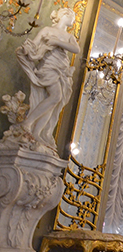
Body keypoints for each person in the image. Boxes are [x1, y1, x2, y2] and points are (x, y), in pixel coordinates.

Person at [15, 8, 79, 149]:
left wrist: (57, 42)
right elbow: (34, 44)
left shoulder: (69, 36)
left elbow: (76, 49)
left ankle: (37, 132)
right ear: (64, 15)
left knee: (54, 101)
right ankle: (28, 122)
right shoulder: (47, 30)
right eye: (73, 17)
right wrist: (26, 50)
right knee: (55, 96)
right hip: (49, 67)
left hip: (62, 69)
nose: (74, 21)